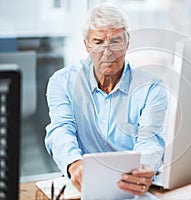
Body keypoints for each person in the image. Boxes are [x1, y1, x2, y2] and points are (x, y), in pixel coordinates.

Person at [44, 3, 168, 196]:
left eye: (116, 42)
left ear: (127, 42)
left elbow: (150, 139)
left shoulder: (152, 87)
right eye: (98, 42)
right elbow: (61, 128)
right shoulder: (62, 82)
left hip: (132, 188)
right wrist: (73, 163)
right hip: (81, 189)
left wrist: (144, 167)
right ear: (86, 45)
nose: (107, 52)